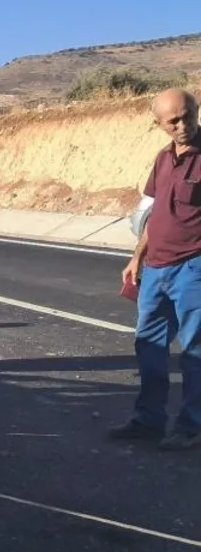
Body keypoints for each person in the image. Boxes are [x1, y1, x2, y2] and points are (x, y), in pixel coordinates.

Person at [110, 88, 201, 450]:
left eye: (188, 115)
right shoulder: (163, 158)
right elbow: (155, 212)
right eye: (173, 121)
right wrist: (138, 256)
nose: (182, 125)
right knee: (148, 344)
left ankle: (192, 427)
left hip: (193, 267)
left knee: (194, 350)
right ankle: (148, 419)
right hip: (155, 268)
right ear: (159, 124)